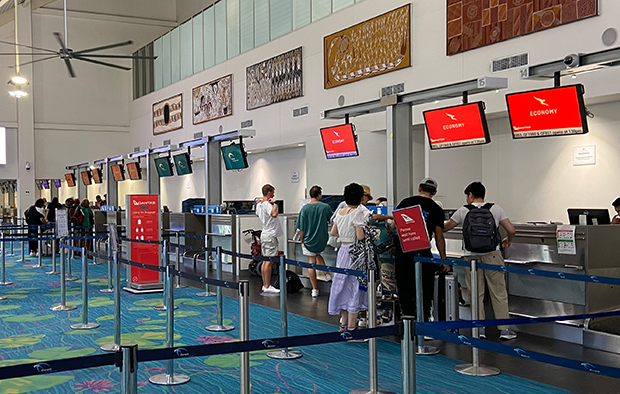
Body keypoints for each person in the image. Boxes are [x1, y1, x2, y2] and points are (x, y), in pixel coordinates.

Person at [444, 181, 517, 340]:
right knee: (498, 292)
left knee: (476, 293)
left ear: (470, 195)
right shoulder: (496, 209)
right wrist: (507, 239)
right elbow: (511, 229)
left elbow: (445, 227)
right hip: (492, 254)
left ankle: (479, 329)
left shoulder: (463, 211)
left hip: (470, 257)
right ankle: (504, 330)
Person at [393, 178, 447, 321]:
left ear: (419, 188)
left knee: (404, 287)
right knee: (424, 288)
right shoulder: (436, 209)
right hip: (422, 252)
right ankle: (423, 320)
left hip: (403, 251)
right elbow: (439, 238)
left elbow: (393, 225)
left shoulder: (405, 203)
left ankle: (407, 321)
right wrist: (443, 259)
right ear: (434, 192)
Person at [328, 183, 369, 332]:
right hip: (355, 253)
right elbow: (360, 235)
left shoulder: (341, 212)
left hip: (343, 251)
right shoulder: (358, 212)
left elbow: (333, 232)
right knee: (354, 288)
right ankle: (352, 327)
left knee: (342, 286)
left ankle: (343, 324)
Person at [296, 185, 333, 297]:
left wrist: (302, 239)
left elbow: (301, 227)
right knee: (318, 255)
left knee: (311, 262)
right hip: (321, 239)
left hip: (308, 239)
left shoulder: (305, 209)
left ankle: (314, 289)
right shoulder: (325, 207)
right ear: (319, 195)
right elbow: (331, 219)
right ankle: (326, 274)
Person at [256, 184, 282, 294]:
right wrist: (275, 203)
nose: (274, 194)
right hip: (270, 235)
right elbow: (274, 214)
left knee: (266, 261)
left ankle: (265, 284)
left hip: (265, 234)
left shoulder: (259, 205)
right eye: (272, 192)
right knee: (269, 261)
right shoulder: (267, 204)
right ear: (269, 193)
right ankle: (267, 285)